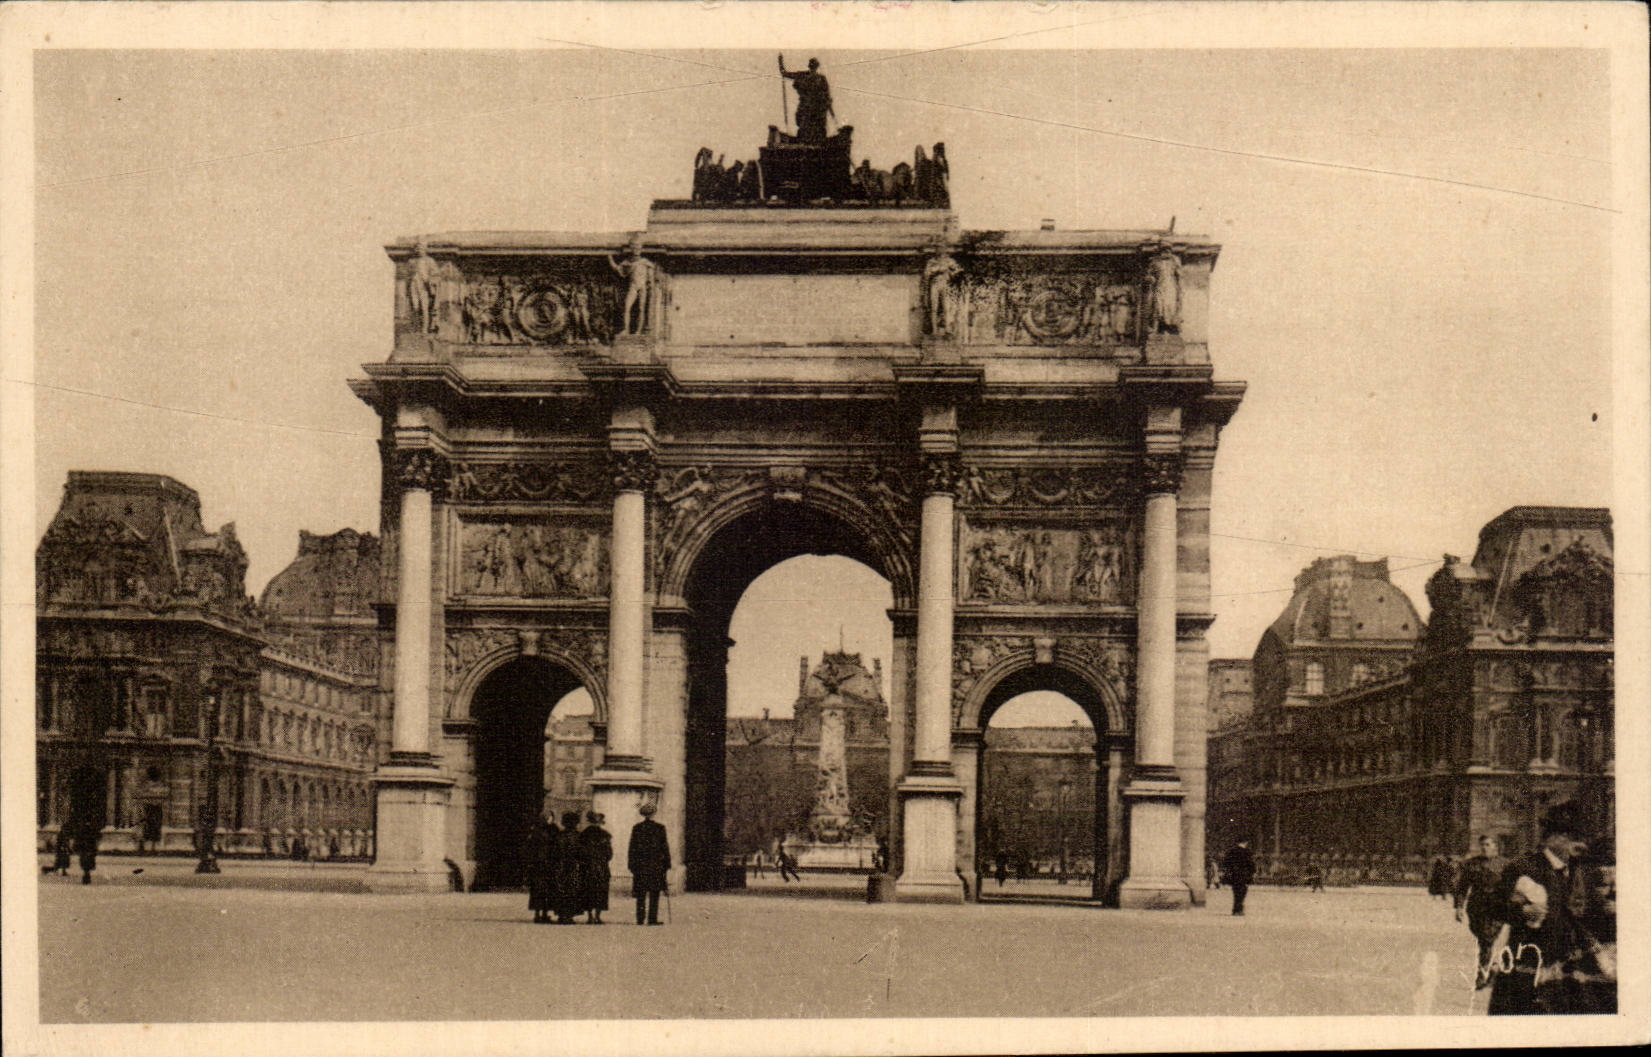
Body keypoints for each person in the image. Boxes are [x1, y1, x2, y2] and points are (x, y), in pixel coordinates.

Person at [1486, 802, 1597, 1014]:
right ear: (1553, 838)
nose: (1579, 845)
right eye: (1570, 837)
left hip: (1567, 965)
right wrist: (1521, 912)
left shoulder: (1578, 870)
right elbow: (1493, 906)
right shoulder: (1523, 866)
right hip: (1529, 962)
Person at [1455, 835, 1509, 980]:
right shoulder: (1471, 864)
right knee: (1482, 937)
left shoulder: (1505, 865)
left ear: (1495, 846)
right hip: (1476, 908)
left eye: (1488, 845)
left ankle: (1483, 972)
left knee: (1487, 938)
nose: (1484, 848)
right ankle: (1490, 966)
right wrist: (1459, 908)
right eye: (1482, 845)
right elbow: (1462, 887)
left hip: (1496, 908)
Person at [627, 801, 671, 926]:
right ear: (654, 814)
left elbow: (632, 848)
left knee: (641, 893)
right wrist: (667, 864)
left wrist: (632, 864)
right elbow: (664, 847)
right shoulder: (660, 828)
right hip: (656, 865)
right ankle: (652, 919)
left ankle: (640, 918)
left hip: (640, 865)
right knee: (654, 893)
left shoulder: (637, 828)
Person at [777, 55, 833, 142]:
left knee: (816, 128)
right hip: (807, 107)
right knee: (805, 127)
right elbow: (784, 73)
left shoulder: (820, 78)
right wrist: (780, 61)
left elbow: (827, 96)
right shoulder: (805, 75)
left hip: (816, 108)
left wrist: (780, 62)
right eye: (812, 65)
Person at [552, 811, 586, 924]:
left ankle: (562, 914)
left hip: (561, 864)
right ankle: (570, 915)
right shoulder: (578, 836)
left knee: (561, 889)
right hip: (574, 865)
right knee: (572, 889)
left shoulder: (559, 835)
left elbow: (554, 851)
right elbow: (581, 852)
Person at [580, 811, 612, 925]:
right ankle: (598, 916)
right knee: (601, 891)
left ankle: (589, 916)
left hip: (587, 866)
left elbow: (580, 852)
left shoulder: (584, 834)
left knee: (588, 890)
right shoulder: (605, 835)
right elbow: (609, 854)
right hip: (601, 867)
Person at [525, 815, 556, 924]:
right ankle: (544, 913)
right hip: (545, 865)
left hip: (535, 866)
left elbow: (528, 851)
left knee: (536, 890)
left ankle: (537, 914)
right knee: (546, 890)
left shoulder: (532, 836)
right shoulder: (546, 836)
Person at [1221, 839, 1255, 916]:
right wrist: (1252, 872)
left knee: (1236, 892)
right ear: (1245, 842)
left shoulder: (1232, 851)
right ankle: (1239, 909)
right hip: (1244, 875)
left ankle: (1235, 909)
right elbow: (1251, 864)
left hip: (1234, 875)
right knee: (1242, 892)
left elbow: (1226, 862)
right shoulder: (1247, 852)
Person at [72, 821, 101, 886]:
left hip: (84, 851)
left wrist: (77, 849)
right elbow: (95, 842)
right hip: (89, 851)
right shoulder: (91, 832)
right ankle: (87, 876)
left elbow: (78, 841)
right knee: (88, 865)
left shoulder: (82, 832)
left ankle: (86, 876)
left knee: (85, 865)